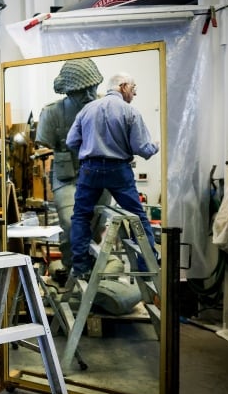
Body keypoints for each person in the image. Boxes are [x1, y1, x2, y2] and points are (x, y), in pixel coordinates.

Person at [67, 72, 159, 279]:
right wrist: (156, 147)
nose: (134, 94)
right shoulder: (130, 112)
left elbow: (71, 142)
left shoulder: (87, 109)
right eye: (133, 89)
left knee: (81, 216)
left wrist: (89, 151)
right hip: (119, 170)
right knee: (138, 216)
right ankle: (147, 267)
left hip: (89, 169)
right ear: (123, 86)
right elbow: (143, 149)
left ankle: (81, 267)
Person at [35, 58, 109, 281]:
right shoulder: (51, 113)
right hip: (67, 177)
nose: (88, 95)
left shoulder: (105, 108)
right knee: (72, 222)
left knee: (96, 225)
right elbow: (43, 146)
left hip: (99, 175)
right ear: (67, 92)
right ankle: (76, 268)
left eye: (92, 88)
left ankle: (91, 276)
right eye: (81, 91)